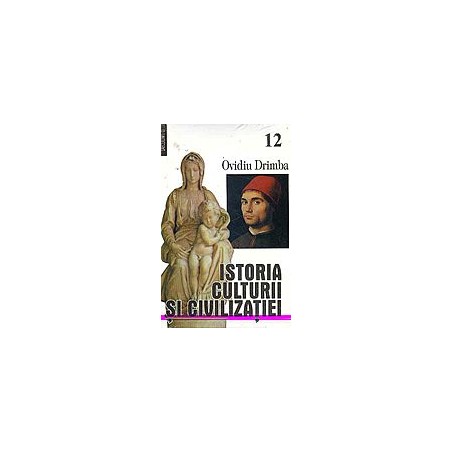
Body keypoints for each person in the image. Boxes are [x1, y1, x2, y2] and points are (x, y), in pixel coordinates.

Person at [161, 152, 233, 306]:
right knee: (180, 265)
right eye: (188, 170)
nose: (192, 174)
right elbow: (167, 224)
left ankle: (209, 297)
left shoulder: (207, 195)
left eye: (195, 170)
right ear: (183, 172)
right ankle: (182, 307)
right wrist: (172, 244)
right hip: (182, 240)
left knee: (220, 250)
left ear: (201, 172)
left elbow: (220, 219)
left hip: (204, 239)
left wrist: (222, 232)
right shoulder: (175, 196)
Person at [188, 200, 230, 299]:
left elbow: (226, 233)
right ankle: (194, 293)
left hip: (207, 255)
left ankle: (201, 290)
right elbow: (208, 242)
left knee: (205, 271)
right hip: (195, 254)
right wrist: (218, 237)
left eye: (210, 217)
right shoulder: (202, 228)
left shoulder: (217, 229)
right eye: (205, 218)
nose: (208, 220)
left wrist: (223, 232)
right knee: (193, 273)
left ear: (217, 217)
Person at [232, 175, 288, 248]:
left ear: (272, 206)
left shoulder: (283, 243)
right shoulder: (236, 244)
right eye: (245, 202)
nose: (248, 209)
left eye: (257, 202)